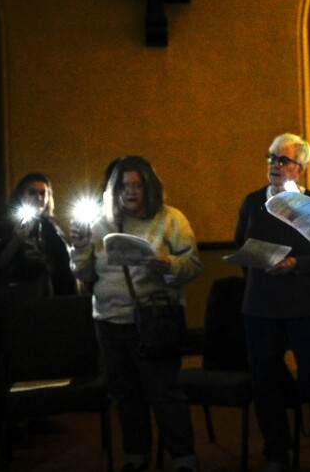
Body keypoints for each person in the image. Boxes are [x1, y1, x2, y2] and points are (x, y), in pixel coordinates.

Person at [70, 155, 203, 472]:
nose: (130, 192)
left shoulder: (171, 220)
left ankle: (184, 459)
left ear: (150, 188)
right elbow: (84, 273)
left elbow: (194, 266)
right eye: (123, 186)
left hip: (153, 321)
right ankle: (136, 458)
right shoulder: (100, 223)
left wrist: (167, 263)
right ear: (113, 191)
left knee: (165, 394)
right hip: (109, 322)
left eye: (137, 185)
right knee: (126, 396)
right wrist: (78, 247)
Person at [234, 133, 310, 471]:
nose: (275, 165)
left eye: (283, 160)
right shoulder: (253, 202)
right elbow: (241, 245)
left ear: (302, 168)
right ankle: (276, 455)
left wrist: (298, 264)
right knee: (266, 384)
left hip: (306, 305)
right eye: (271, 158)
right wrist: (257, 261)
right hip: (261, 306)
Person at [0, 172, 78, 298]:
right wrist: (17, 240)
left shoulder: (52, 230)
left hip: (50, 299)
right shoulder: (6, 225)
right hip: (14, 299)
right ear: (21, 196)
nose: (39, 198)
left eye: (43, 193)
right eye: (32, 192)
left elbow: (65, 269)